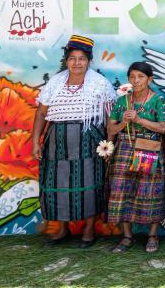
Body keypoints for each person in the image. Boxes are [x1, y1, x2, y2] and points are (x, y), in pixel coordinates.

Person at [31, 35, 116, 248]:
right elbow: (41, 114)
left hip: (89, 141)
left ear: (89, 61)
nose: (77, 63)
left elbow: (109, 117)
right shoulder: (55, 83)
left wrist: (109, 145)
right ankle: (62, 228)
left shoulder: (100, 84)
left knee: (88, 185)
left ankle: (88, 230)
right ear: (66, 61)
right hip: (56, 142)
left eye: (82, 59)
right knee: (56, 184)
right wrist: (35, 141)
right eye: (72, 58)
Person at [107, 61, 165, 253]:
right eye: (132, 77)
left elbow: (163, 128)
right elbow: (111, 129)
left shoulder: (158, 100)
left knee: (150, 191)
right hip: (124, 147)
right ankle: (127, 236)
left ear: (150, 79)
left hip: (148, 149)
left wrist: (139, 119)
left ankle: (152, 235)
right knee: (121, 191)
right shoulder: (122, 101)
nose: (136, 80)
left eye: (141, 77)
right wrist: (123, 122)